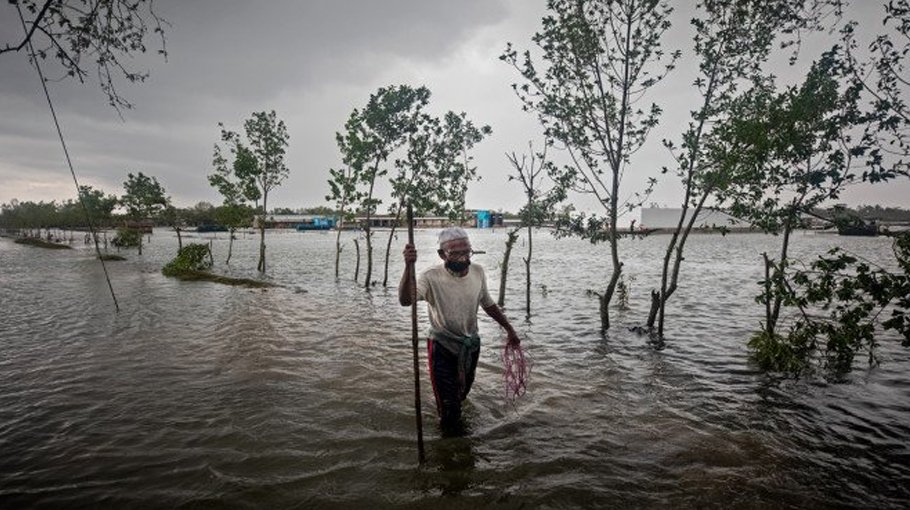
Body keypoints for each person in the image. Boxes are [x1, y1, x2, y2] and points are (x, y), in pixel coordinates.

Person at [399, 227, 520, 432]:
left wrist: (509, 329)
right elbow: (405, 300)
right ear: (441, 254)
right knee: (450, 410)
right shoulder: (430, 277)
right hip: (442, 347)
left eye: (467, 252)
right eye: (456, 253)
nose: (464, 258)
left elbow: (488, 303)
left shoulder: (478, 272)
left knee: (461, 395)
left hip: (470, 346)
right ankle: (450, 445)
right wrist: (407, 266)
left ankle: (455, 438)